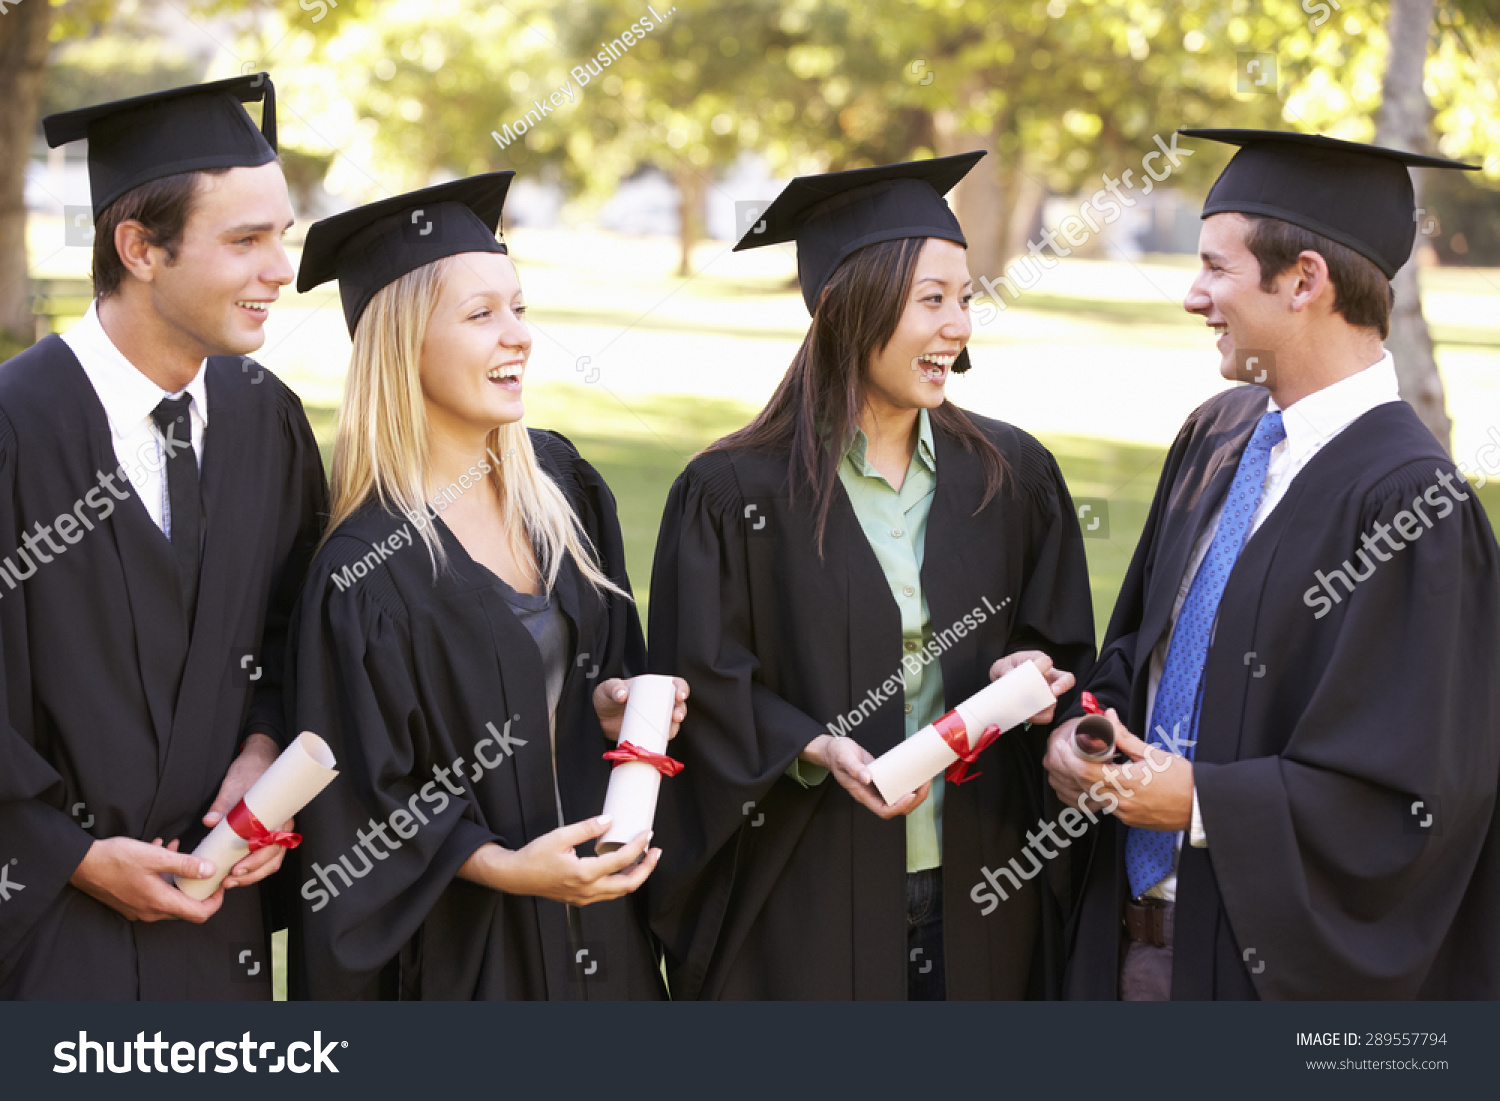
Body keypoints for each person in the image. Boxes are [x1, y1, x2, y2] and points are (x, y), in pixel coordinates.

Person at [1044, 130, 1500, 1000]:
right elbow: (1140, 644)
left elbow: (1417, 794)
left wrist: (1202, 805)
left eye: (1216, 269)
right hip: (1124, 955)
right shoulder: (1216, 436)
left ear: (1304, 281)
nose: (1192, 296)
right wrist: (1083, 731)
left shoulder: (1411, 504)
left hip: (1261, 978)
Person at [645, 153, 1096, 1000]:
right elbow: (699, 686)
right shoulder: (730, 495)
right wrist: (812, 744)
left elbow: (1061, 641)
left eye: (965, 297)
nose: (959, 324)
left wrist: (1031, 672)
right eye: (933, 298)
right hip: (804, 902)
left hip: (986, 893)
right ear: (852, 305)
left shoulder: (1011, 475)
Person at [285, 173, 685, 1000]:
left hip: (602, 935)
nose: (520, 337)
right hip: (470, 959)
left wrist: (611, 702)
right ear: (403, 348)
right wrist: (503, 866)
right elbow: (360, 799)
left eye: (519, 308)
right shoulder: (364, 570)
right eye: (481, 315)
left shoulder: (563, 487)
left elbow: (600, 670)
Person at [0, 75, 328, 998]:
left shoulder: (266, 420)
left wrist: (265, 755)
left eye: (283, 238)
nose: (281, 270)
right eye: (246, 241)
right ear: (139, 247)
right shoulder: (14, 429)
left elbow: (298, 625)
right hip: (44, 939)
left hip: (215, 930)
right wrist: (68, 854)